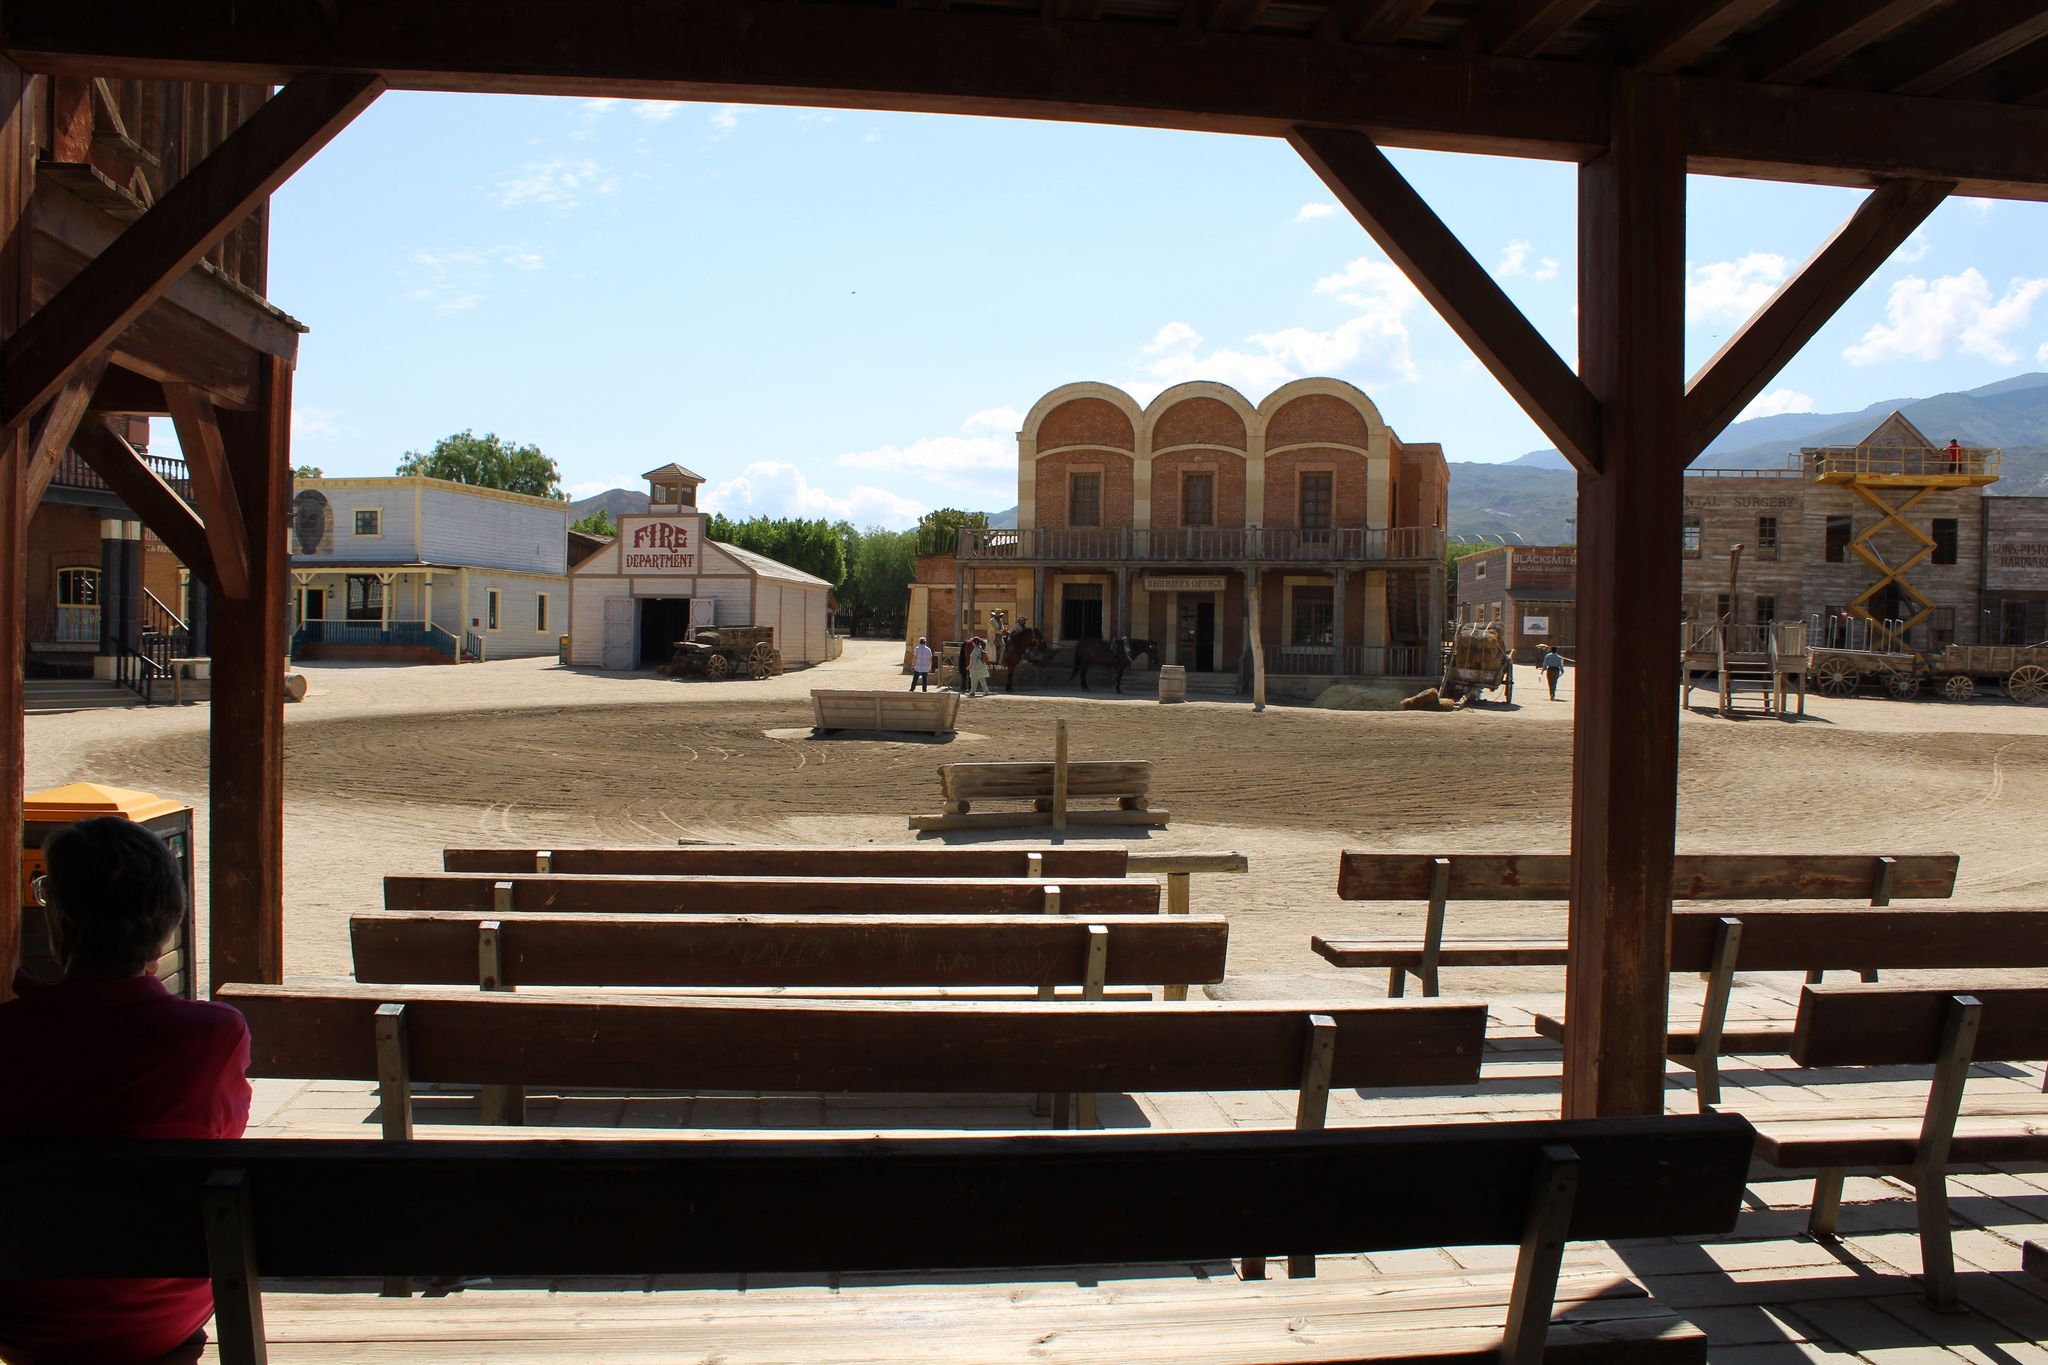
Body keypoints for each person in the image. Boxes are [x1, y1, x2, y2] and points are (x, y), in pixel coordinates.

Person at [0, 817, 252, 1365]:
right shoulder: (214, 1037)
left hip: (22, 1317)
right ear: (169, 922)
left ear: (61, 921)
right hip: (160, 1316)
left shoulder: (11, 1035)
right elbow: (221, 1135)